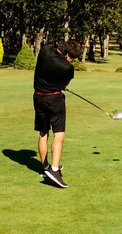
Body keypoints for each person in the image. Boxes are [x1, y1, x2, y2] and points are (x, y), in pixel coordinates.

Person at [33, 39, 81, 188]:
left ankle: (45, 167)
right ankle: (54, 170)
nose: (71, 60)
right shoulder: (68, 68)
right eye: (72, 57)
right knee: (59, 135)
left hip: (38, 97)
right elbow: (64, 84)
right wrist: (62, 86)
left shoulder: (45, 50)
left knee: (43, 133)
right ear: (67, 55)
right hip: (54, 99)